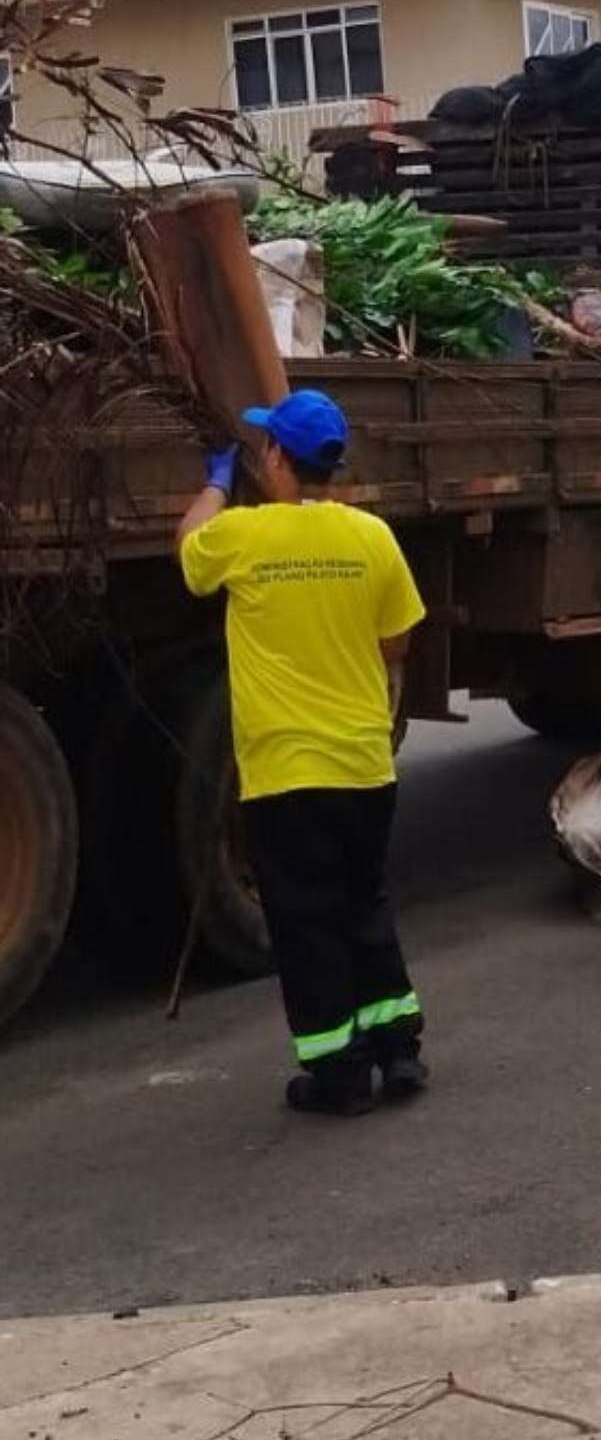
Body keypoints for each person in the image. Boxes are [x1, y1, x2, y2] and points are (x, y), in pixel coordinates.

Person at [176, 388, 427, 1117]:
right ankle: (399, 1052)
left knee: (306, 920)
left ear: (278, 457)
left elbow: (189, 551)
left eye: (265, 447)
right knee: (365, 902)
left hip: (286, 773)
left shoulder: (245, 537)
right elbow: (398, 641)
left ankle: (338, 1074)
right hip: (363, 763)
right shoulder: (372, 538)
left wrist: (218, 482)